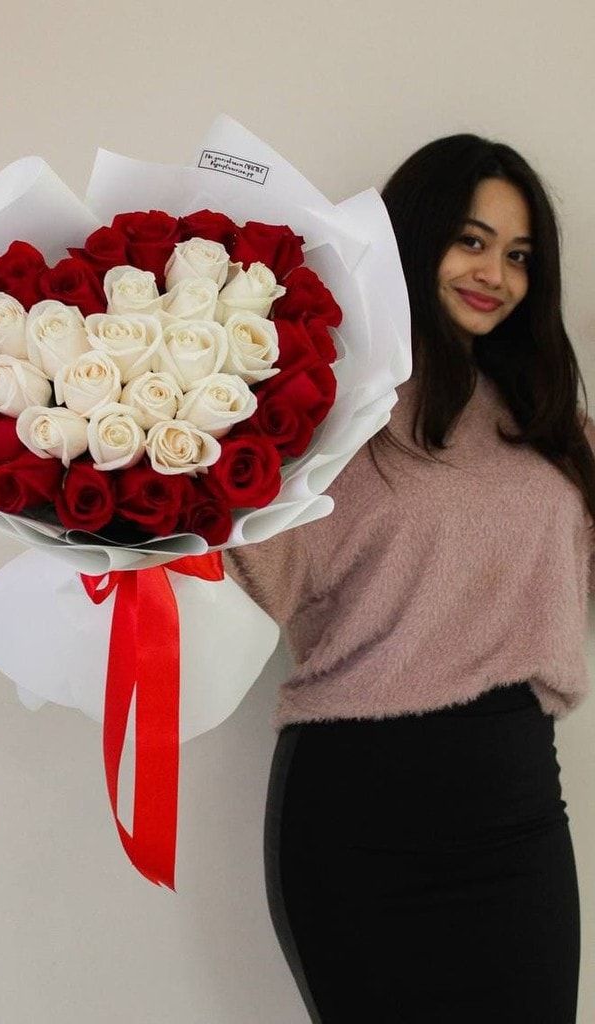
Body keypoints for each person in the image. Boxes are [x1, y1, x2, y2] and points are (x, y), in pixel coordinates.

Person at [223, 134, 594, 1023]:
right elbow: (244, 584)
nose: (495, 275)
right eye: (471, 241)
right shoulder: (326, 412)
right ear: (414, 236)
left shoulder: (552, 428)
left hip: (516, 813)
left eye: (519, 256)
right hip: (357, 814)